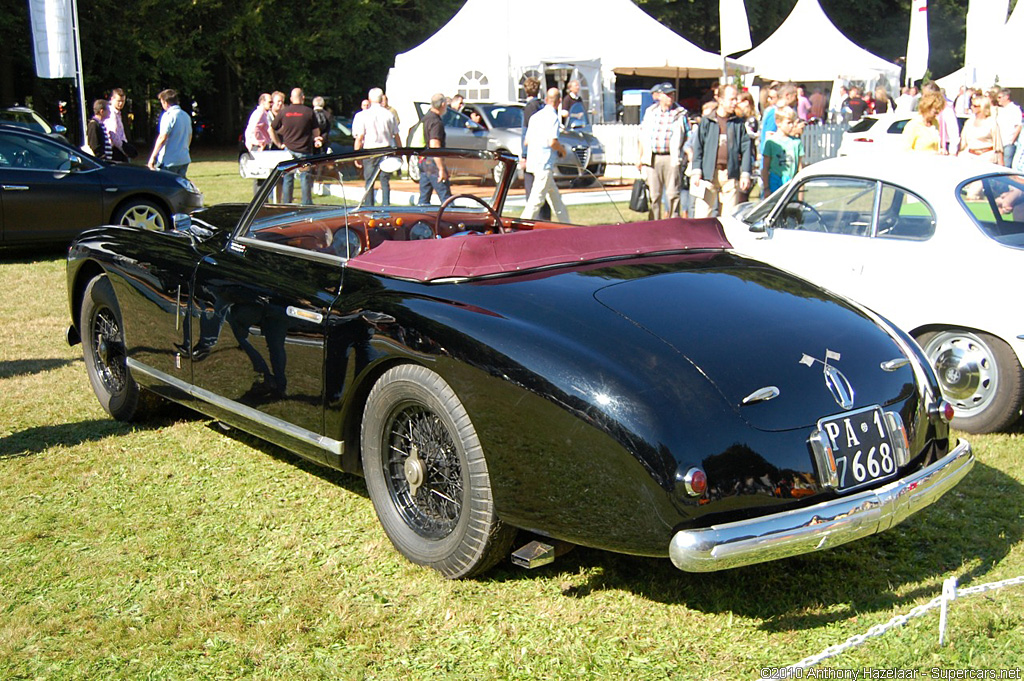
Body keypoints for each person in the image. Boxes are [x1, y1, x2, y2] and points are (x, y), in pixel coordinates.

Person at [691, 83, 753, 218]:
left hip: (730, 174)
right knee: (702, 215)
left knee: (729, 217)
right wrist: (696, 171)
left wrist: (745, 173)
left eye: (736, 98)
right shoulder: (707, 121)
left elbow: (746, 147)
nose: (735, 102)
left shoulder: (738, 123)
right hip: (709, 174)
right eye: (731, 99)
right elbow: (698, 147)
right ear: (719, 99)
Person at [635, 82, 686, 220]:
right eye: (668, 94)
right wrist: (639, 157)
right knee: (654, 194)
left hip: (671, 157)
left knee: (672, 193)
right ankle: (654, 223)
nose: (671, 97)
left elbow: (686, 136)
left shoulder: (680, 113)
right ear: (660, 96)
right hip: (652, 158)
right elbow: (642, 135)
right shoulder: (651, 112)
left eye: (672, 94)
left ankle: (674, 221)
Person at [521, 87, 569, 222]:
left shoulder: (535, 117)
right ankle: (519, 227)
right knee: (536, 200)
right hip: (544, 163)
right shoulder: (553, 117)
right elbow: (552, 142)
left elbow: (527, 141)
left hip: (534, 161)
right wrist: (562, 150)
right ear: (559, 101)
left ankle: (567, 224)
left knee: (555, 198)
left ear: (546, 100)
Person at [269, 87, 325, 204]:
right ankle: (306, 204)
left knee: (288, 178)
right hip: (304, 150)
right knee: (305, 177)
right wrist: (317, 139)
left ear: (291, 98)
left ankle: (287, 204)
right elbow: (316, 131)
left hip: (288, 150)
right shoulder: (309, 112)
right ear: (303, 98)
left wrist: (279, 144)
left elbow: (271, 128)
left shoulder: (284, 112)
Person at [352, 87, 400, 206]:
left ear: (369, 99)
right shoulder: (389, 114)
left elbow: (360, 137)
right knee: (385, 181)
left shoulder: (363, 115)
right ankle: (386, 206)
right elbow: (396, 135)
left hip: (370, 151)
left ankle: (369, 207)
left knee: (369, 181)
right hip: (386, 150)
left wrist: (356, 155)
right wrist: (400, 151)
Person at [520, 77, 550, 221]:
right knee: (544, 189)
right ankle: (545, 217)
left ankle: (534, 219)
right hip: (543, 152)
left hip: (532, 153)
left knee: (532, 189)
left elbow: (525, 133)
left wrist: (524, 155)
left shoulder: (529, 108)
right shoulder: (542, 106)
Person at [147, 89, 192, 177]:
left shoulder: (169, 116)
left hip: (169, 160)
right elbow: (189, 136)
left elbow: (162, 137)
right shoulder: (185, 115)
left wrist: (153, 157)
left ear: (165, 102)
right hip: (184, 158)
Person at [418, 93, 451, 205]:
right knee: (446, 198)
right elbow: (435, 145)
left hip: (423, 160)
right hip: (433, 162)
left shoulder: (426, 118)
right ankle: (451, 219)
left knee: (424, 199)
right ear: (442, 104)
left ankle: (421, 219)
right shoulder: (436, 122)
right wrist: (441, 168)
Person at [761, 106, 803, 193]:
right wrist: (766, 188)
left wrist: (800, 192)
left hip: (791, 183)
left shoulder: (796, 143)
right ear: (778, 123)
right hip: (774, 182)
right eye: (788, 123)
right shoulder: (771, 142)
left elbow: (799, 169)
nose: (791, 126)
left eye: (793, 123)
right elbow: (765, 168)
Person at [959, 96, 1003, 164]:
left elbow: (998, 145)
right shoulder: (969, 123)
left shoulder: (991, 123)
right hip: (969, 157)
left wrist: (1001, 165)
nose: (971, 107)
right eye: (971, 105)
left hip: (987, 157)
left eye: (975, 106)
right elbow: (963, 143)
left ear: (982, 107)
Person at [922, 82, 960, 155]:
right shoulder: (925, 111)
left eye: (926, 95)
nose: (923, 97)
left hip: (944, 149)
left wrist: (952, 153)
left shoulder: (946, 109)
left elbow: (953, 133)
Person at [735, 91, 759, 202]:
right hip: (740, 157)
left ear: (746, 102)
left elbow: (751, 135)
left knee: (742, 192)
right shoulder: (740, 118)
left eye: (739, 101)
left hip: (749, 155)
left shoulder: (751, 120)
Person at [104, 88, 132, 161]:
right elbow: (114, 135)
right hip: (115, 150)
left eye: (123, 101)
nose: (121, 104)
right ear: (112, 99)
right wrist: (124, 150)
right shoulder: (111, 114)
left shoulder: (117, 113)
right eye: (118, 101)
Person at [996, 88, 1022, 167]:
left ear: (1006, 97)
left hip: (1008, 143)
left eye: (1000, 97)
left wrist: (1011, 141)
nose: (998, 100)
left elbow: (1018, 126)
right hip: (999, 143)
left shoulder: (1014, 109)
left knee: (1005, 167)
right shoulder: (1000, 110)